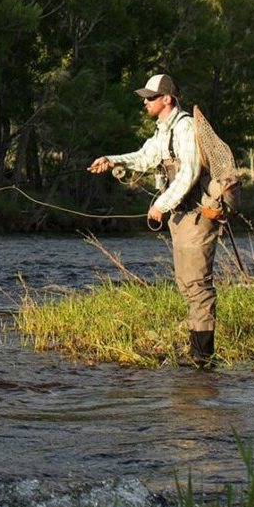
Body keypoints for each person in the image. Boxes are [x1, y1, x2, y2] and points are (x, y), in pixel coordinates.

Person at [88, 72, 219, 367]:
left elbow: (190, 172)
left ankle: (203, 360)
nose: (145, 102)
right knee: (187, 284)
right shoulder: (163, 130)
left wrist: (161, 204)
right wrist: (112, 160)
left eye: (150, 97)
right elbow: (144, 157)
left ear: (167, 99)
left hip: (197, 215)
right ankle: (198, 359)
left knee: (197, 285)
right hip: (181, 216)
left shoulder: (185, 127)